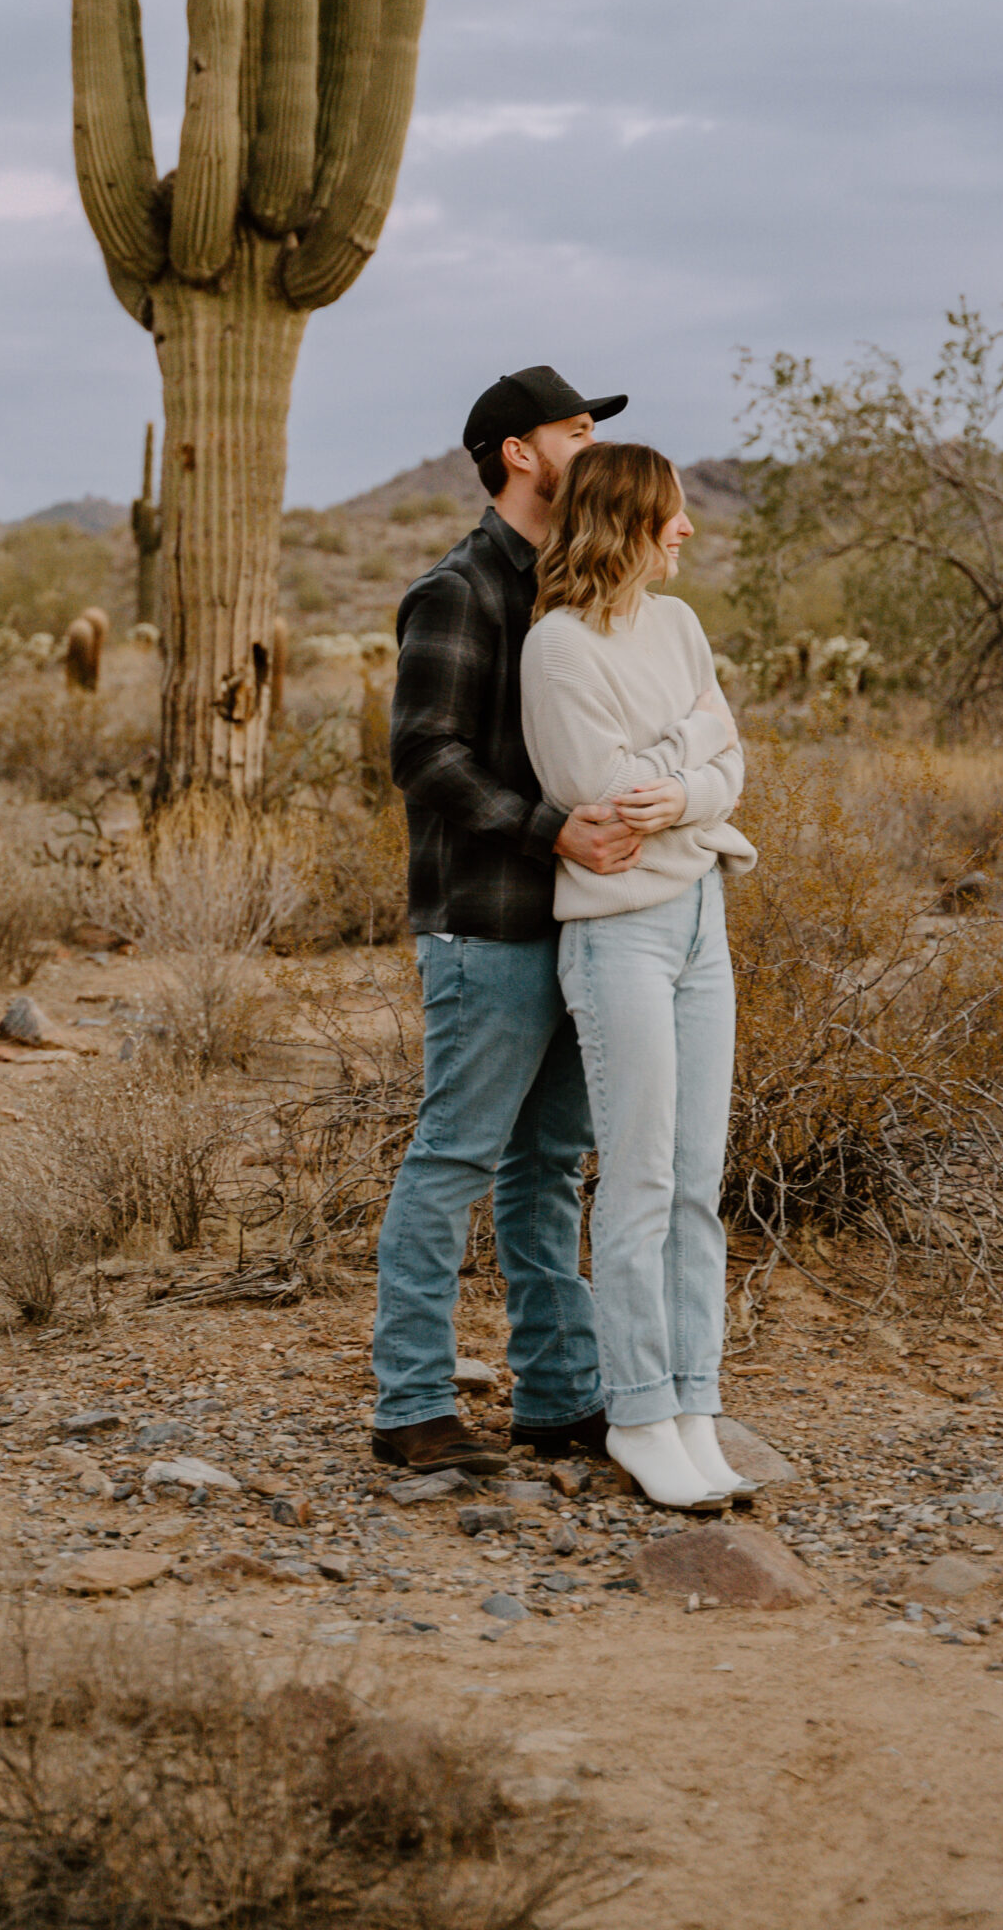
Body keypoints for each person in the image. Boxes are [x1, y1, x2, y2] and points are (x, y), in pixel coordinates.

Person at [372, 366, 641, 1476]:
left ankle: (560, 1397)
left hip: (580, 923)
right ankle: (412, 1408)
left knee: (547, 1167)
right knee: (454, 1159)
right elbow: (422, 755)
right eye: (577, 429)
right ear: (520, 453)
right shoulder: (462, 589)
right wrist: (553, 831)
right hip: (487, 927)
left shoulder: (573, 588)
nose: (596, 442)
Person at [520, 442, 758, 1511]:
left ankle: (694, 1403)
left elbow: (734, 757)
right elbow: (601, 795)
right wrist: (689, 758)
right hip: (620, 932)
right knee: (641, 1177)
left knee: (699, 1177)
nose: (687, 529)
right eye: (670, 512)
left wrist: (689, 776)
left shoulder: (680, 624)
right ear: (626, 519)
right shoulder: (557, 650)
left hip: (703, 916)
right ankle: (640, 1413)